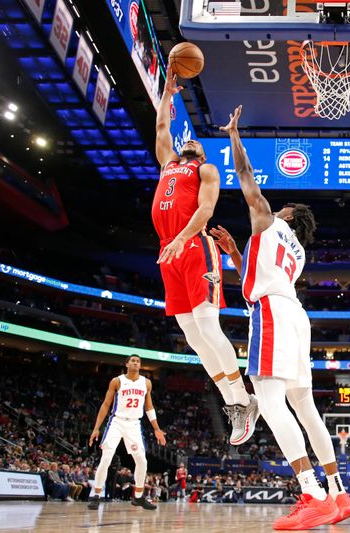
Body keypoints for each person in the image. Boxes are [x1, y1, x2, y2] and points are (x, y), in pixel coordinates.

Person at [211, 104, 350, 529]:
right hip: (294, 314)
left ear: (287, 214)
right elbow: (263, 273)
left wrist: (234, 135)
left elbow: (245, 178)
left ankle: (311, 493)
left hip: (272, 312)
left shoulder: (270, 221)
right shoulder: (298, 250)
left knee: (271, 401)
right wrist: (237, 254)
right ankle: (338, 493)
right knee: (304, 405)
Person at [153, 65, 258, 445]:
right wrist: (167, 93)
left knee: (209, 327)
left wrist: (182, 238)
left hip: (196, 247)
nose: (193, 143)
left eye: (198, 143)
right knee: (193, 338)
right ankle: (237, 402)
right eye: (191, 141)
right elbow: (161, 128)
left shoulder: (206, 170)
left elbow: (205, 212)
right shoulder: (168, 163)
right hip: (170, 252)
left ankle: (242, 399)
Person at [88, 355, 166, 510]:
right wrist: (96, 428)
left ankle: (138, 497)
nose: (136, 363)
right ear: (127, 364)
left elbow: (149, 407)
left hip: (134, 424)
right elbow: (105, 405)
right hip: (116, 422)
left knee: (142, 461)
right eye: (133, 361)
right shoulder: (117, 381)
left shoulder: (146, 383)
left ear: (140, 365)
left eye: (138, 361)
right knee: (106, 459)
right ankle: (96, 495)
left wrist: (157, 428)